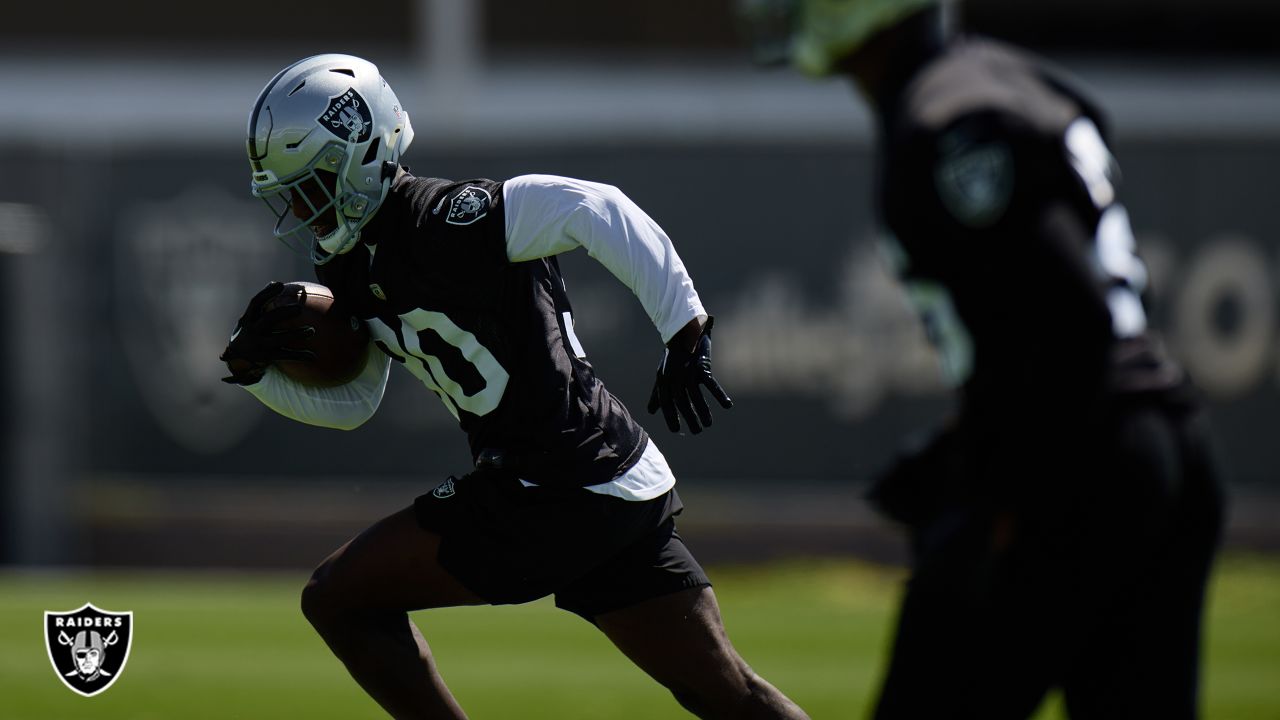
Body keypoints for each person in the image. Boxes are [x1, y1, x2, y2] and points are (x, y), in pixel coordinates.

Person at [219, 54, 809, 720]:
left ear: (360, 149)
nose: (299, 208)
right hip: (610, 482)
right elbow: (356, 403)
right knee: (732, 695)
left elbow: (600, 208)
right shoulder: (347, 261)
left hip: (547, 490)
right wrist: (256, 377)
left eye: (310, 185)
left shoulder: (454, 216)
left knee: (337, 597)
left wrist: (686, 328)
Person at [738, 2, 1225, 718]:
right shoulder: (1006, 79)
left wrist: (995, 484)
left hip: (1083, 456)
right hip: (1159, 444)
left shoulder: (952, 121)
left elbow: (1074, 317)